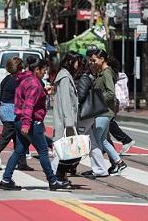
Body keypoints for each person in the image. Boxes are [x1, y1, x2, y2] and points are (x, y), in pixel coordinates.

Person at [0, 57, 71, 191]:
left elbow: (28, 98)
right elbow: (28, 104)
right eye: (43, 70)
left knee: (19, 151)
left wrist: (43, 92)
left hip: (19, 120)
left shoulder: (25, 79)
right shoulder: (33, 83)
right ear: (37, 69)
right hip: (31, 121)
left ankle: (6, 179)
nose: (45, 73)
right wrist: (27, 124)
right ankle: (52, 180)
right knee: (43, 151)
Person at [81, 49, 127, 179]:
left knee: (95, 140)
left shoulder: (107, 73)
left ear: (102, 59)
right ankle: (119, 162)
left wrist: (97, 99)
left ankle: (99, 168)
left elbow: (111, 93)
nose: (92, 63)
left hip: (104, 111)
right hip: (103, 111)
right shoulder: (102, 73)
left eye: (94, 60)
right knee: (102, 139)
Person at [0, 57, 31, 172]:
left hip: (5, 110)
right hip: (12, 112)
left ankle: (22, 162)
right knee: (5, 139)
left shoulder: (6, 79)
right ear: (19, 67)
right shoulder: (18, 80)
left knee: (19, 138)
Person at [50, 53, 82, 181]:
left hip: (65, 120)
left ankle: (58, 176)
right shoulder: (64, 77)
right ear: (70, 62)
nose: (77, 65)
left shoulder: (65, 76)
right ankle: (55, 176)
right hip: (64, 121)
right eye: (76, 62)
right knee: (62, 150)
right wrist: (69, 123)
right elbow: (65, 101)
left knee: (63, 150)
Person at [107, 58, 136, 157]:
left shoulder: (112, 77)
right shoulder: (118, 76)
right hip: (115, 102)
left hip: (113, 102)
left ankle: (126, 140)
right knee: (107, 123)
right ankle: (124, 141)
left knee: (108, 122)